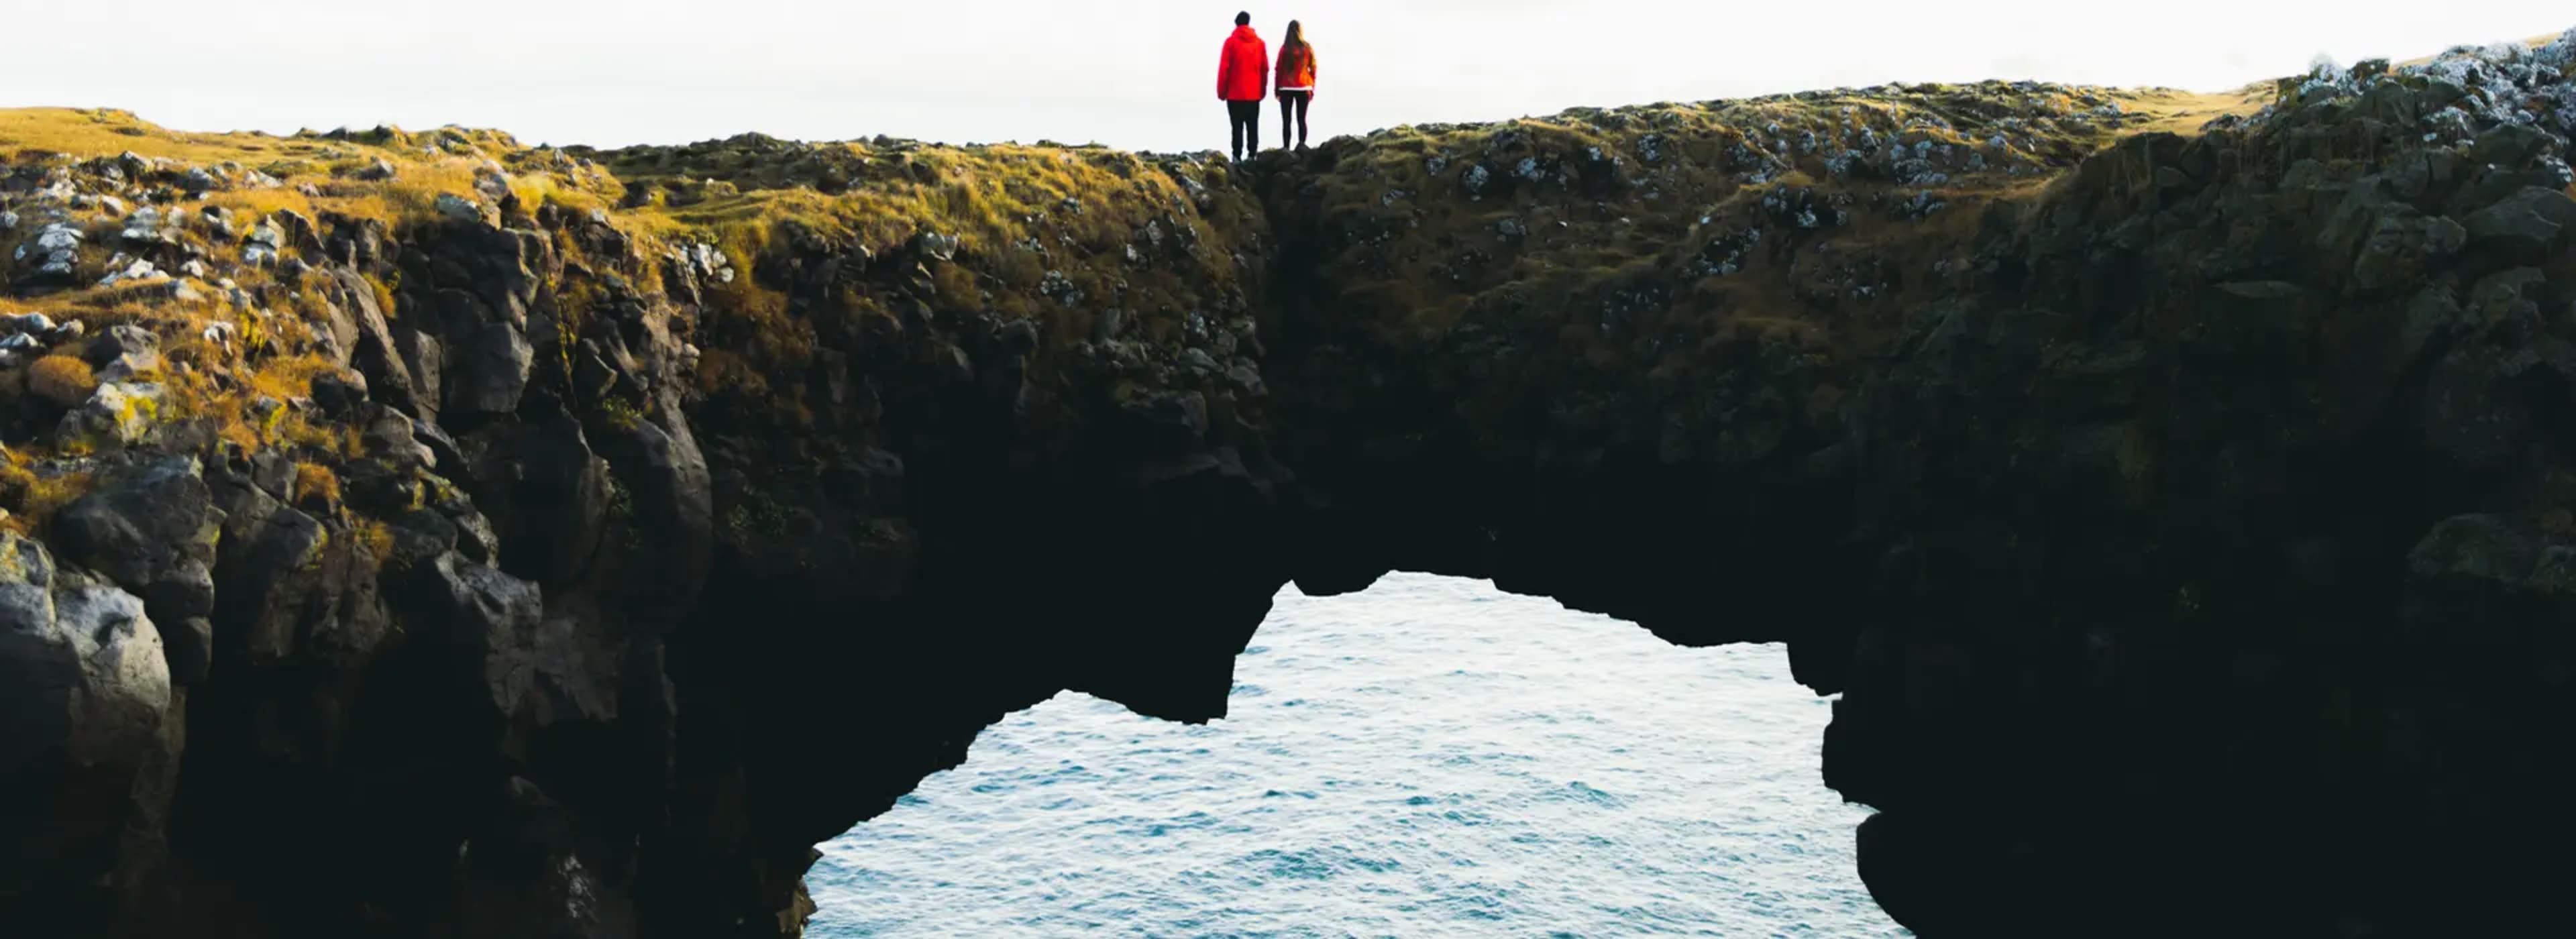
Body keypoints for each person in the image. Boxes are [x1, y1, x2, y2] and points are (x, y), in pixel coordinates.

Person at [1216, 11, 1269, 163]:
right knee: (1253, 126)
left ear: (1236, 24)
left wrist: (1221, 92)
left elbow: (1224, 69)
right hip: (1253, 94)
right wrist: (1262, 90)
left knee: (1237, 127)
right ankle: (1252, 155)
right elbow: (1265, 69)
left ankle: (1237, 156)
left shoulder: (1230, 43)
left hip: (1234, 94)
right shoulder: (1260, 44)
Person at [1275, 20, 1317, 152]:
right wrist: (1312, 85)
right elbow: (1313, 67)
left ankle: (1286, 148)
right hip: (1304, 87)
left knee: (1286, 121)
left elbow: (1278, 70)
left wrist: (1277, 89)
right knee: (1301, 119)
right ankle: (1302, 146)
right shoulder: (1307, 48)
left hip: (1286, 88)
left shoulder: (1284, 49)